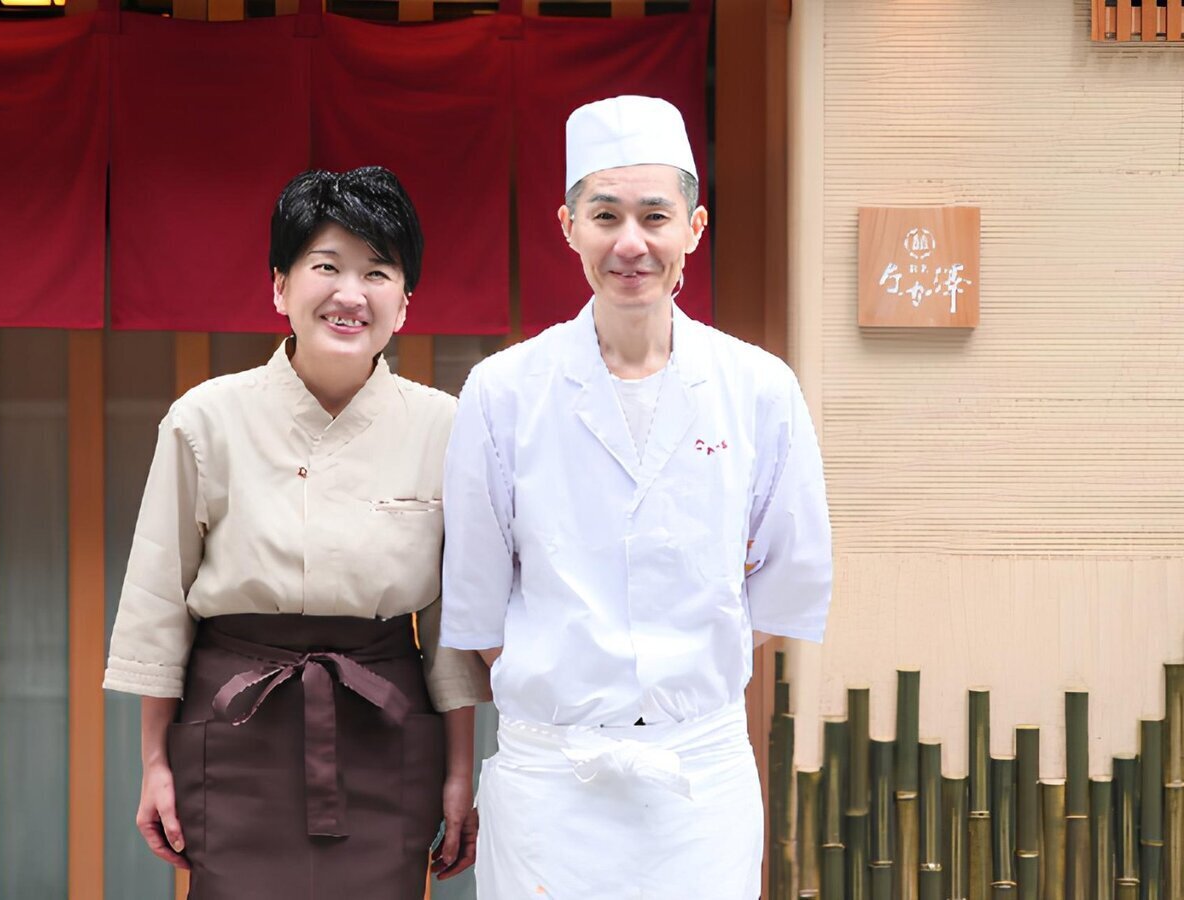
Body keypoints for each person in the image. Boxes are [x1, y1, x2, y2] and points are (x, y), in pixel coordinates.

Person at [440, 95, 833, 899]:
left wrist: (674, 673)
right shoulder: (503, 390)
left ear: (694, 227)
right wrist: (576, 683)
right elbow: (477, 598)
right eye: (605, 215)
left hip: (698, 778)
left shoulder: (758, 388)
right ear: (568, 227)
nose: (631, 243)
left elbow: (789, 575)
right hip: (551, 775)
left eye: (655, 216)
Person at [103, 167, 490, 899]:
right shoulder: (204, 419)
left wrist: (459, 770)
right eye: (326, 267)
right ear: (280, 287)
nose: (351, 293)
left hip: (386, 729)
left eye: (377, 272)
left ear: (405, 303)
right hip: (236, 727)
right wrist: (154, 763)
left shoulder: (447, 426)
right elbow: (158, 604)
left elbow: (453, 623)